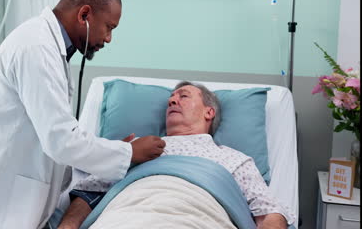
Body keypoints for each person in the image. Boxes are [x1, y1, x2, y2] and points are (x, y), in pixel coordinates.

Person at [0, 0, 165, 229]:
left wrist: (110, 152)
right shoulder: (36, 48)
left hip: (17, 196)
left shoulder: (49, 48)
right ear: (84, 15)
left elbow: (58, 132)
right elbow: (60, 140)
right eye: (109, 27)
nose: (108, 38)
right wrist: (128, 153)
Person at [57, 81, 295, 229]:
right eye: (172, 98)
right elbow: (89, 192)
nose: (172, 100)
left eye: (183, 96)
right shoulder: (136, 149)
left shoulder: (234, 158)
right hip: (127, 215)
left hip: (201, 216)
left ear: (209, 112)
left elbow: (269, 214)